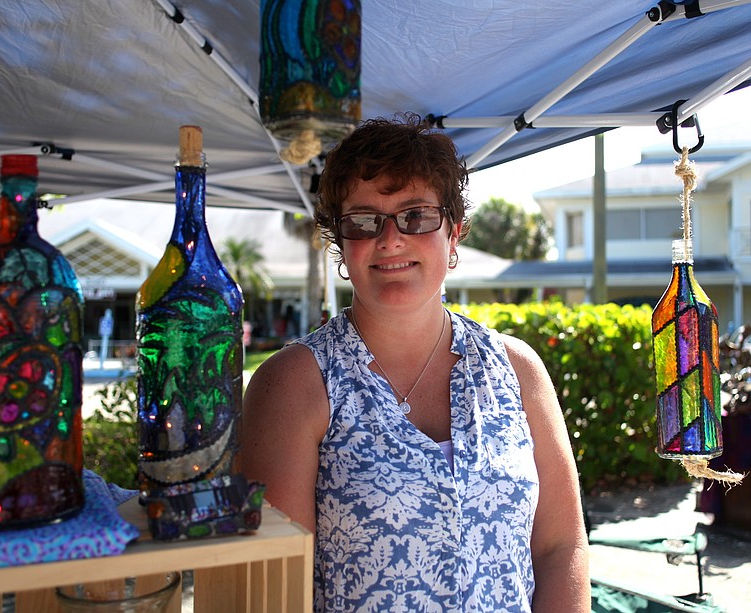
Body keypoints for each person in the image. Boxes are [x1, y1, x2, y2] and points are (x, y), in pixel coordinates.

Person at [239, 113, 590, 611]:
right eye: (363, 221)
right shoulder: (293, 385)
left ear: (455, 233)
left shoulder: (517, 370)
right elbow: (272, 586)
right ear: (341, 242)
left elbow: (560, 548)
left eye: (416, 215)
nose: (390, 239)